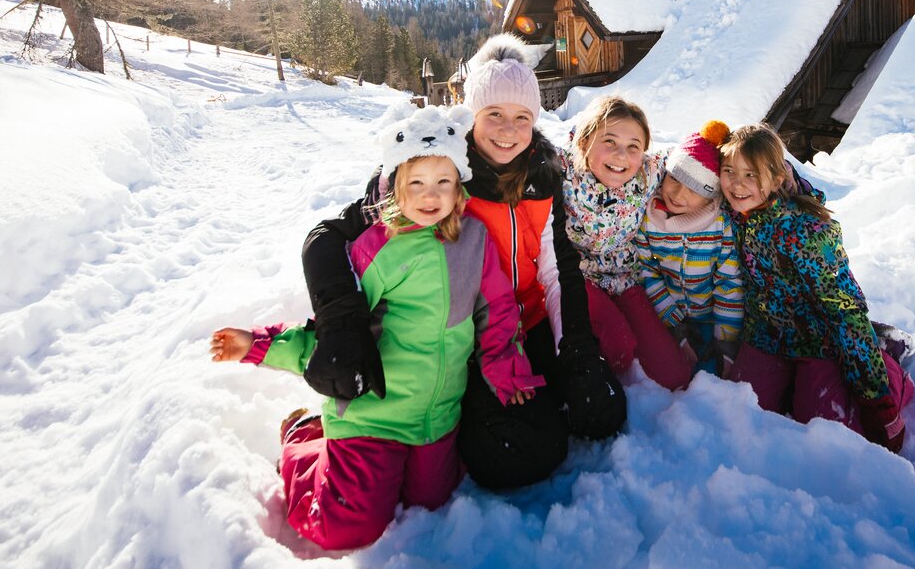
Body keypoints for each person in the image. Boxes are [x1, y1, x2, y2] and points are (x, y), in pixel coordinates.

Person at [209, 104, 544, 550]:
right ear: (397, 189)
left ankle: (333, 445)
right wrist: (260, 346)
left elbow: (497, 311)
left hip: (436, 417)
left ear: (459, 185)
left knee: (431, 501)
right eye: (417, 183)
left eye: (443, 182)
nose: (431, 196)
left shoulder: (474, 240)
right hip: (375, 413)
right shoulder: (382, 245)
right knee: (346, 527)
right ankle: (301, 446)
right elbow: (337, 329)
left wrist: (506, 369)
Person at [299, 34, 625, 491]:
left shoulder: (542, 176)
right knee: (517, 454)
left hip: (520, 327)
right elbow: (326, 236)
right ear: (472, 116)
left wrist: (579, 357)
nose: (508, 130)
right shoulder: (437, 172)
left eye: (522, 118)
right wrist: (340, 320)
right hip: (454, 339)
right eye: (493, 115)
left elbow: (557, 270)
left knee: (601, 412)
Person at [719, 123, 914, 452]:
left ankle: (888, 365)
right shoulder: (737, 212)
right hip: (767, 333)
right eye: (729, 171)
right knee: (744, 409)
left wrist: (878, 401)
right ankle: (795, 382)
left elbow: (844, 309)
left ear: (778, 179)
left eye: (750, 174)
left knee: (822, 424)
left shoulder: (805, 233)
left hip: (818, 337)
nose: (737, 184)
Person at [558, 94, 692, 389]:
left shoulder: (648, 173)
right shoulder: (563, 171)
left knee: (675, 375)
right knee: (618, 346)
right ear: (584, 142)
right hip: (578, 279)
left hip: (625, 278)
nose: (622, 156)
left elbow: (695, 156)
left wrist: (787, 176)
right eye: (609, 142)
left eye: (634, 147)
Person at [635, 120, 743, 385]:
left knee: (712, 377)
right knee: (668, 376)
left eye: (695, 189)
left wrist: (726, 341)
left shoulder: (719, 226)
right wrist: (673, 322)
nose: (678, 194)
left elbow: (728, 283)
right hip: (667, 316)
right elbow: (646, 270)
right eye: (674, 178)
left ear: (711, 196)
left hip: (710, 321)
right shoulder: (649, 219)